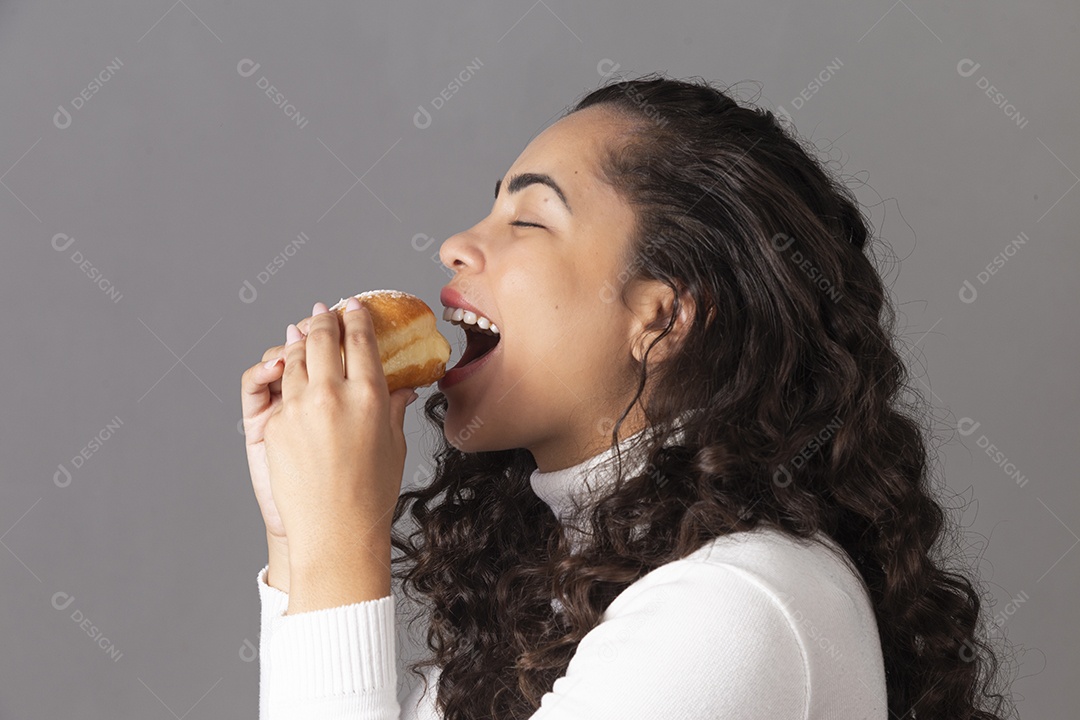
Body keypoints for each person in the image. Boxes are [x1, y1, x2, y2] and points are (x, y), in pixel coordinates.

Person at [240, 75, 1014, 719]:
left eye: (529, 218)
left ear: (663, 315)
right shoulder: (570, 595)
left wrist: (338, 537)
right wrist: (299, 545)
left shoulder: (739, 605)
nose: (456, 244)